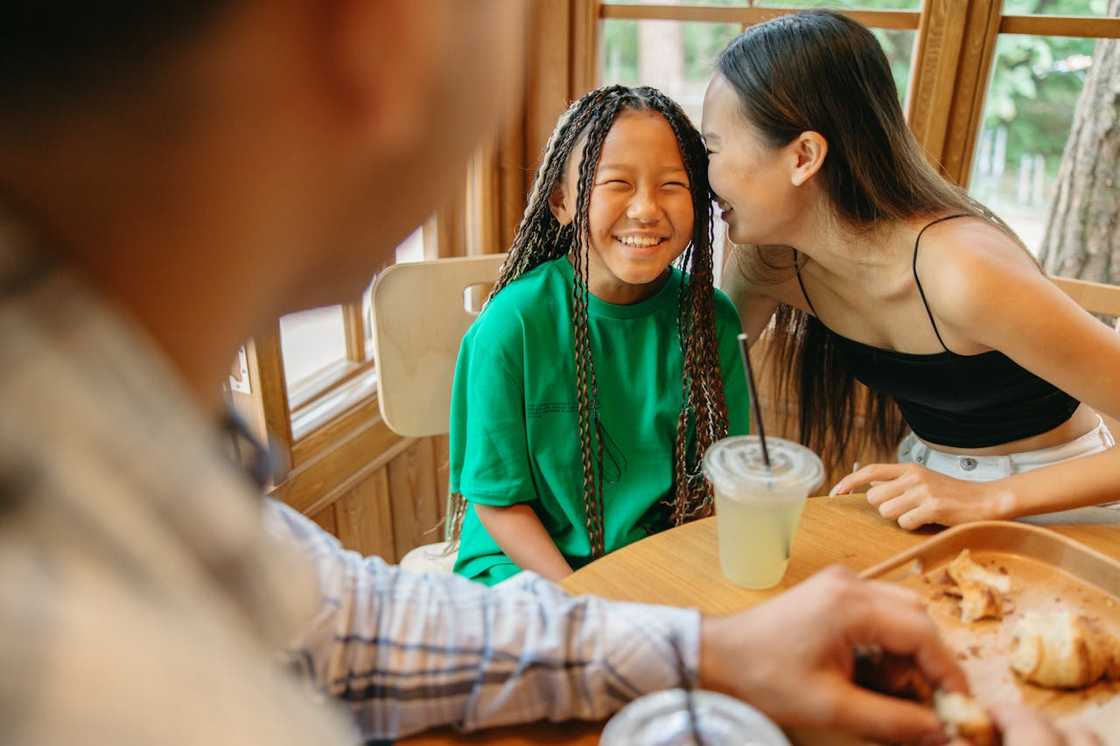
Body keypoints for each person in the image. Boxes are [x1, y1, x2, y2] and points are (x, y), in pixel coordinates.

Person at [0, 2, 1081, 745]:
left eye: (697, 165)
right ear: (372, 36)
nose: (672, 200)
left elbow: (342, 619)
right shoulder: (112, 679)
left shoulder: (153, 492)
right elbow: (484, 511)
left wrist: (710, 647)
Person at [704, 11, 1120, 529]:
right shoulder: (769, 262)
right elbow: (699, 381)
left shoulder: (963, 271)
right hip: (928, 488)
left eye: (712, 149)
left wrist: (987, 498)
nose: (706, 175)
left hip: (1063, 499)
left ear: (804, 156)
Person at [450, 85, 749, 586]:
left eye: (673, 185)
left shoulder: (709, 321)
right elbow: (500, 506)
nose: (647, 209)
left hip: (653, 563)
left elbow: (719, 485)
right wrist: (585, 603)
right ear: (562, 202)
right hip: (522, 569)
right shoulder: (513, 325)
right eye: (617, 183)